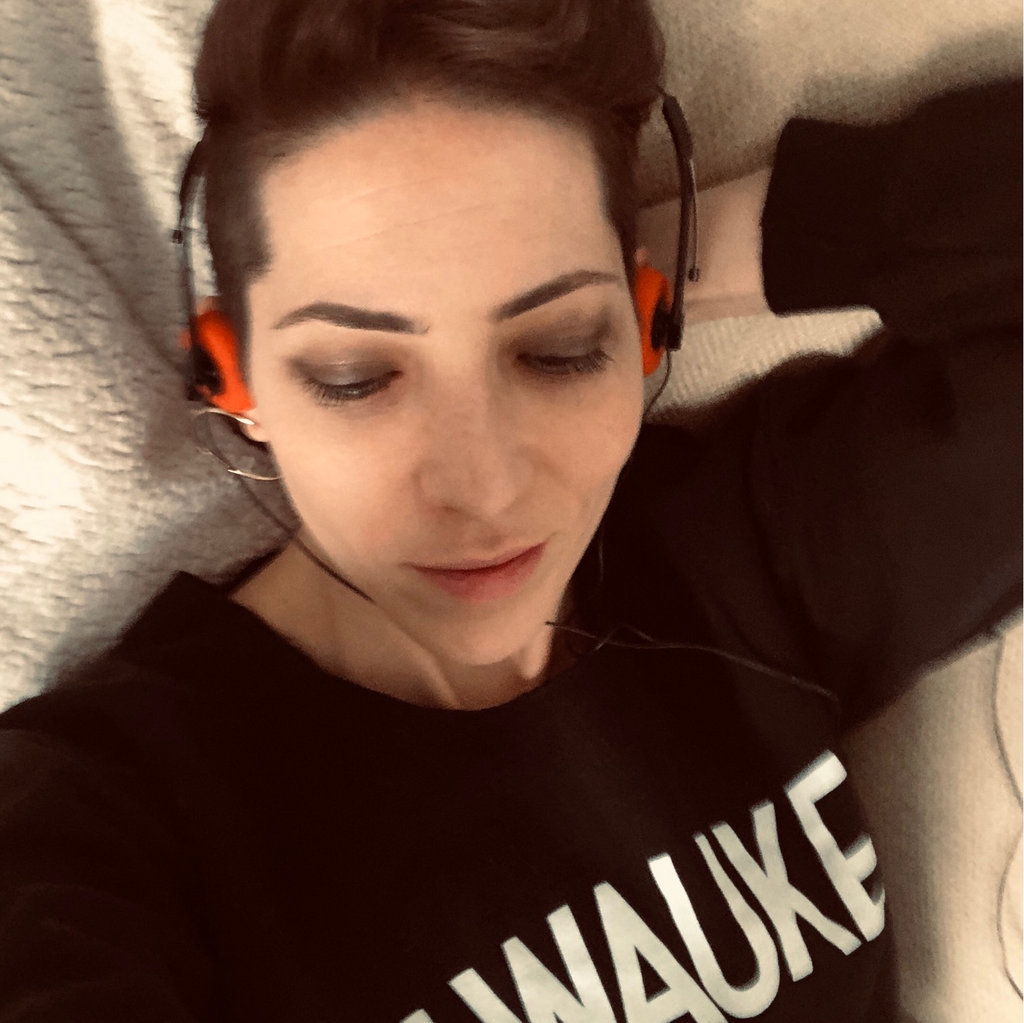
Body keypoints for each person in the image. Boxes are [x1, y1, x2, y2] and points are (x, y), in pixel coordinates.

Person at [0, 0, 1019, 1019]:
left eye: (560, 349)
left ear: (643, 324)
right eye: (356, 377)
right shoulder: (105, 815)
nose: (484, 487)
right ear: (234, 378)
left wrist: (680, 260)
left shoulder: (747, 552)